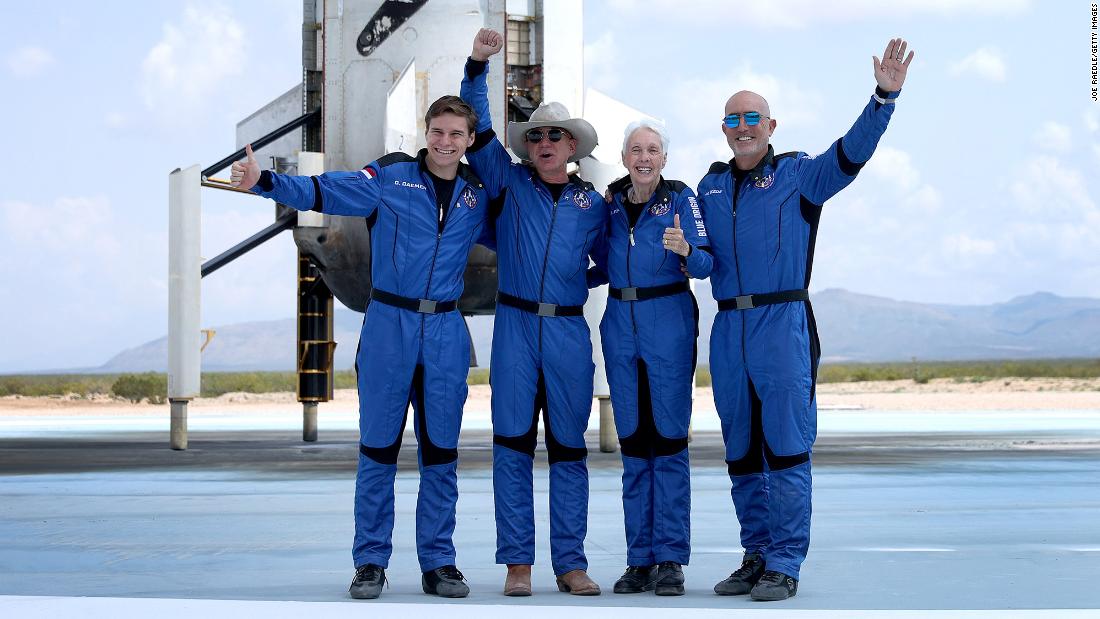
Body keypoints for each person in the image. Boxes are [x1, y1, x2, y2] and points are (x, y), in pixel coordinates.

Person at [230, 96, 491, 601]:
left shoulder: (477, 196)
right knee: (377, 452)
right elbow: (327, 190)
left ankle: (440, 563)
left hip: (445, 333)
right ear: (426, 131)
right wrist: (265, 183)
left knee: (441, 455)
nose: (445, 142)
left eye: (456, 135)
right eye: (437, 131)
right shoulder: (392, 176)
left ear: (469, 141)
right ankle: (370, 561)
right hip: (388, 327)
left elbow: (526, 235)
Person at [697, 38, 914, 601]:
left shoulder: (799, 176)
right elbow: (704, 258)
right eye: (732, 119)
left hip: (782, 325)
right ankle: (756, 554)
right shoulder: (710, 186)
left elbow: (850, 155)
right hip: (728, 330)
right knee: (742, 451)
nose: (742, 127)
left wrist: (883, 98)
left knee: (787, 448)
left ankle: (786, 562)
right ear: (724, 129)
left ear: (771, 125)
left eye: (752, 118)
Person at [460, 28, 608, 596]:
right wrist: (477, 65)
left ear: (573, 147)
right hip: (516, 325)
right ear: (529, 146)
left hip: (569, 329)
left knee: (570, 449)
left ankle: (570, 563)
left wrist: (577, 281)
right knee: (513, 444)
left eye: (557, 135)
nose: (546, 142)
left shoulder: (594, 206)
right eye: (538, 135)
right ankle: (517, 563)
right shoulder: (508, 181)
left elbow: (613, 261)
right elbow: (479, 129)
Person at [600, 120, 713, 596]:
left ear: (663, 159)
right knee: (632, 445)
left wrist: (687, 250)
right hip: (619, 326)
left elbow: (708, 263)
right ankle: (637, 559)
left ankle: (669, 558)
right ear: (624, 157)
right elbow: (593, 263)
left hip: (668, 322)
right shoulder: (609, 205)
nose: (643, 158)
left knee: (668, 443)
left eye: (652, 150)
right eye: (635, 150)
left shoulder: (683, 200)